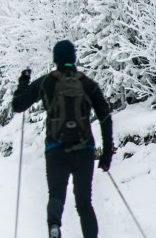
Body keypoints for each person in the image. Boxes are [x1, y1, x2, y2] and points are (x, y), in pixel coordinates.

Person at [12, 40, 114, 238]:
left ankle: (54, 228)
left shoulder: (46, 82)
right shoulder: (88, 84)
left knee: (56, 195)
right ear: (74, 58)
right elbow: (105, 117)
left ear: (55, 59)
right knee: (84, 204)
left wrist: (23, 81)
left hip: (55, 150)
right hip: (84, 150)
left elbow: (18, 105)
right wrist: (107, 154)